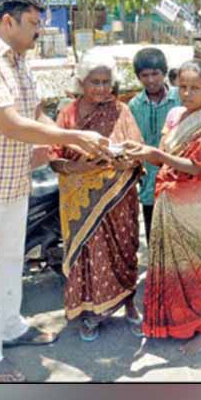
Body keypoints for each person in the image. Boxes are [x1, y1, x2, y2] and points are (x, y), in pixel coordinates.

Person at [0, 0, 110, 383]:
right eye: (34, 23)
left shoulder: (17, 59)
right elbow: (9, 123)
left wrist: (66, 143)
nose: (40, 31)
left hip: (13, 182)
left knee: (10, 263)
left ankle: (13, 327)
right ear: (8, 21)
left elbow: (34, 111)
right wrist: (74, 139)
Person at [124, 61, 201, 355]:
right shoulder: (175, 116)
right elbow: (162, 157)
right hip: (167, 199)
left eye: (195, 88)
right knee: (170, 267)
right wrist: (142, 153)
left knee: (196, 269)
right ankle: (173, 323)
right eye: (182, 87)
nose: (187, 93)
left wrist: (156, 153)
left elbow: (198, 168)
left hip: (195, 203)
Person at [49, 53, 144, 342]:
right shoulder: (68, 114)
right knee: (87, 256)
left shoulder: (121, 111)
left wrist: (123, 159)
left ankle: (129, 304)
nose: (101, 88)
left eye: (106, 82)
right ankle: (91, 314)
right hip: (80, 202)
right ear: (81, 82)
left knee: (124, 251)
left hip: (118, 199)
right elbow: (54, 156)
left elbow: (137, 150)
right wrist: (78, 167)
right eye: (94, 82)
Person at [127, 47, 180, 243]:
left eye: (155, 74)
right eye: (145, 75)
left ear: (164, 73)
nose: (150, 80)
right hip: (149, 185)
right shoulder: (134, 105)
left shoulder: (180, 98)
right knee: (155, 240)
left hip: (178, 181)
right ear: (138, 77)